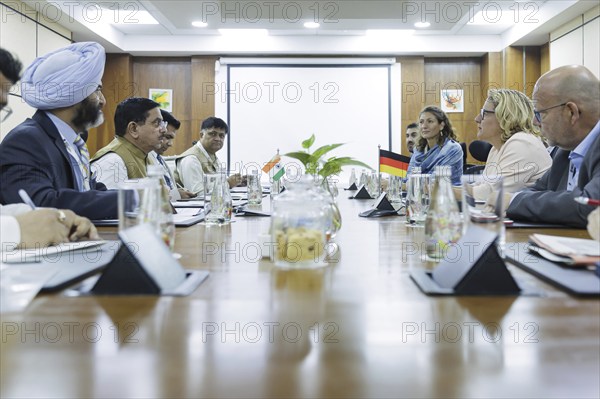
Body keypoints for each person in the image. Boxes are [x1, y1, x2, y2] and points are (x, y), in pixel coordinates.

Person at [0, 42, 118, 220]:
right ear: (73, 94)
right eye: (96, 90)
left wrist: (139, 196)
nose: (102, 101)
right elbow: (41, 204)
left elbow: (90, 191)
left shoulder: (75, 141)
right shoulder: (26, 141)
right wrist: (129, 200)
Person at [506, 65, 600, 228]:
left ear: (571, 112)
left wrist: (512, 201)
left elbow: (591, 205)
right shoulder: (564, 151)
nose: (535, 122)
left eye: (540, 114)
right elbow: (536, 192)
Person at [471, 89, 552, 200]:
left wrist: (445, 189)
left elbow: (489, 194)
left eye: (483, 113)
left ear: (506, 117)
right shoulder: (496, 148)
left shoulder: (522, 143)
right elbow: (480, 187)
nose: (477, 119)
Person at [90, 97, 167, 189]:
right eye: (156, 123)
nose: (164, 130)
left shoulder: (149, 155)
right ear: (133, 129)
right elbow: (112, 202)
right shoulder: (112, 162)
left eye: (162, 123)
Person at [174, 117, 243, 195]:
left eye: (221, 136)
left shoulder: (211, 156)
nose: (217, 139)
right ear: (201, 135)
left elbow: (215, 183)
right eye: (213, 134)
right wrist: (227, 184)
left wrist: (236, 182)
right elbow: (197, 193)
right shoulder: (191, 159)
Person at [408, 105, 463, 185]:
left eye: (430, 121)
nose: (424, 126)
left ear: (441, 125)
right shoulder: (418, 150)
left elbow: (435, 184)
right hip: (419, 196)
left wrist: (405, 185)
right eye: (421, 122)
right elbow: (407, 179)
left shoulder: (453, 149)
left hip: (447, 196)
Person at [149, 110, 195, 200]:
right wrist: (176, 195)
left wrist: (178, 191)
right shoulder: (144, 158)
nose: (170, 144)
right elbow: (147, 197)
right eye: (167, 137)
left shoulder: (159, 159)